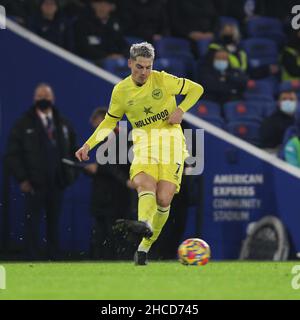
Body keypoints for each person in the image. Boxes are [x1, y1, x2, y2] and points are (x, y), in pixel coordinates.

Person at [75, 42, 204, 265]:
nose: (144, 72)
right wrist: (88, 145)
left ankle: (144, 247)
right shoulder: (121, 91)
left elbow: (197, 89)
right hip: (144, 144)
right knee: (145, 184)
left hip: (171, 143)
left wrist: (181, 110)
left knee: (164, 198)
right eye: (139, 67)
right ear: (130, 63)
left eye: (148, 67)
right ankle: (144, 222)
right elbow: (110, 121)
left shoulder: (163, 80)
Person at [5, 83, 78, 260]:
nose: (43, 99)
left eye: (46, 96)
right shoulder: (23, 124)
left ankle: (53, 257)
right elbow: (13, 154)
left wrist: (70, 176)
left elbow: (73, 151)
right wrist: (22, 179)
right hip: (34, 183)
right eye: (40, 96)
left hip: (57, 182)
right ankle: (32, 257)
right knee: (33, 223)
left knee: (54, 223)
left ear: (53, 99)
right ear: (34, 99)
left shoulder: (63, 123)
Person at [84, 107, 136, 259]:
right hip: (109, 196)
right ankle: (105, 260)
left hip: (116, 196)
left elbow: (113, 165)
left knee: (113, 232)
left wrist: (99, 168)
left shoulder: (121, 137)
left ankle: (111, 259)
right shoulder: (118, 137)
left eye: (97, 124)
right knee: (105, 232)